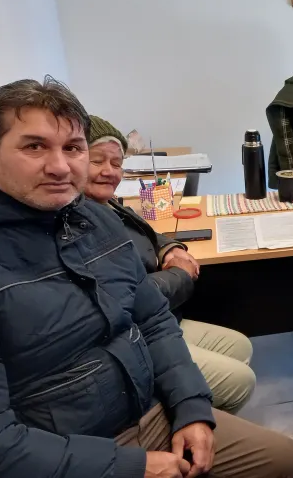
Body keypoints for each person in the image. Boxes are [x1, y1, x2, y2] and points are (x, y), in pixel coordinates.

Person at [0, 78, 293, 478]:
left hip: (146, 409)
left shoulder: (98, 218)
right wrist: (130, 466)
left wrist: (191, 408)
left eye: (72, 148)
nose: (59, 166)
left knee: (282, 457)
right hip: (69, 449)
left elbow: (155, 321)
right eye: (34, 146)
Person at [84, 115, 256, 413]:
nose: (108, 171)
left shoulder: (106, 204)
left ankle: (200, 411)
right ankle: (186, 423)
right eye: (97, 161)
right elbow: (127, 297)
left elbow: (142, 230)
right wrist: (180, 274)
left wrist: (168, 248)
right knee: (240, 380)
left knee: (241, 346)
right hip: (132, 335)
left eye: (116, 163)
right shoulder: (80, 221)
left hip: (157, 318)